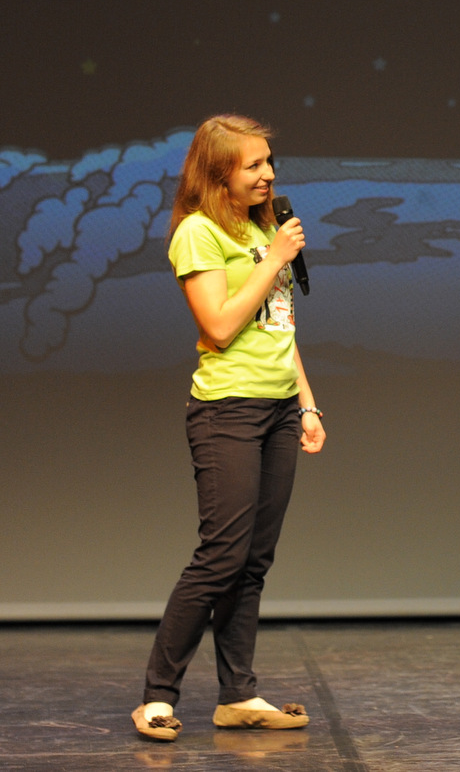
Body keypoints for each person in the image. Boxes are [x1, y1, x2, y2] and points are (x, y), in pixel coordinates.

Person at [131, 113, 329, 743]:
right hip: (228, 410)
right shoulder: (198, 232)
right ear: (219, 174)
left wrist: (307, 405)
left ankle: (238, 695)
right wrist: (275, 259)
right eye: (254, 165)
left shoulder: (261, 228)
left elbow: (279, 327)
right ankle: (157, 696)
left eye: (270, 162)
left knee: (254, 561)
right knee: (221, 556)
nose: (269, 174)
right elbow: (218, 326)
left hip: (278, 409)